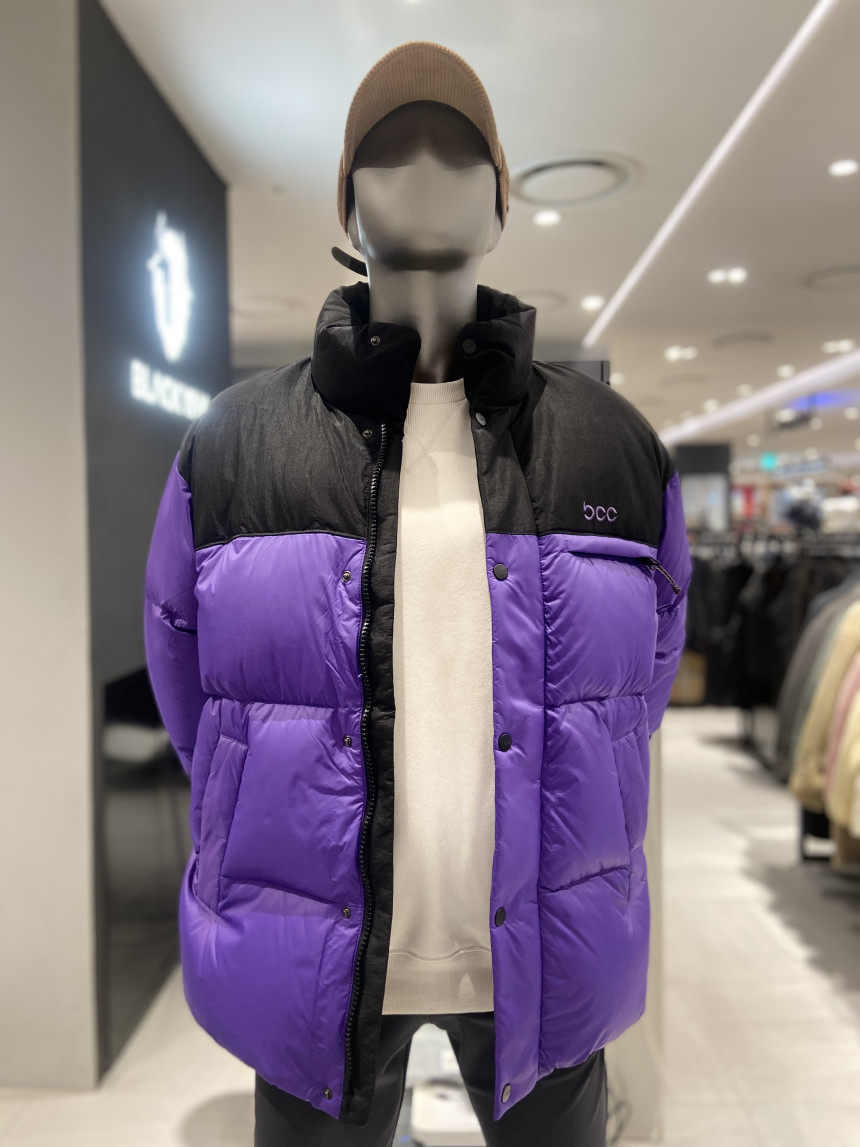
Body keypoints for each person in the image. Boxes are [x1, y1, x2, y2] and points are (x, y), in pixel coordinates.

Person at [143, 40, 691, 1147]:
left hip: (548, 945)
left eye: (460, 148)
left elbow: (637, 690)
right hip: (312, 956)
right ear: (347, 201)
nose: (429, 167)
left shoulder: (611, 446)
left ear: (501, 200)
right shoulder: (238, 444)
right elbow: (191, 690)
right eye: (393, 148)